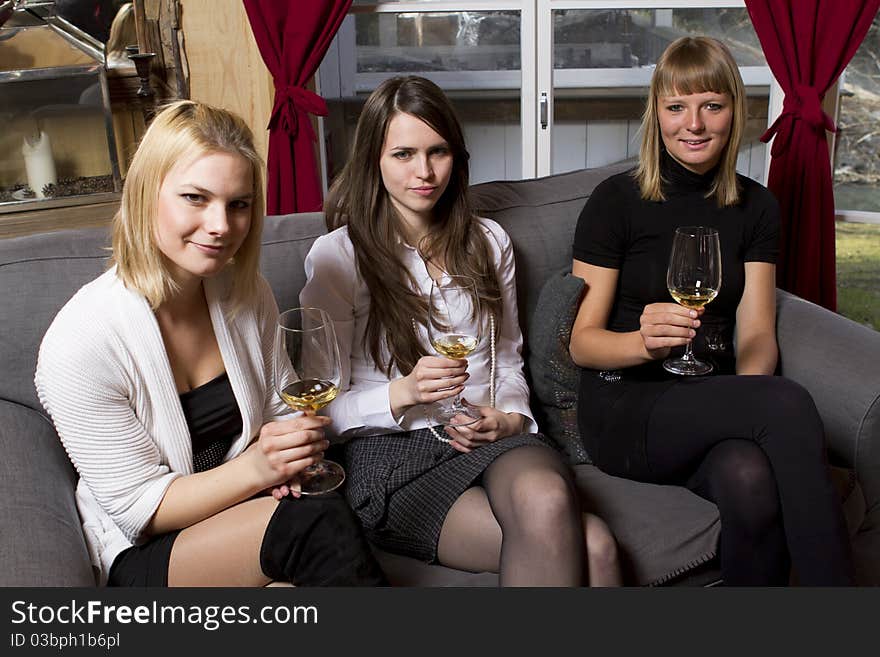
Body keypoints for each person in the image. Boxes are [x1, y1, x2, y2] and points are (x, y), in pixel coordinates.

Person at [35, 100, 386, 587]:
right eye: (196, 198)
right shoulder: (80, 342)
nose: (221, 225)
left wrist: (283, 456)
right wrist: (259, 468)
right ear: (146, 195)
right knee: (314, 524)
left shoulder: (246, 294)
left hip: (242, 510)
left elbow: (280, 412)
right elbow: (140, 508)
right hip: (147, 547)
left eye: (238, 204)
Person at [297, 75, 621, 586]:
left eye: (438, 151)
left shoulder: (489, 242)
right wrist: (401, 393)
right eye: (403, 154)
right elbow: (319, 410)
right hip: (390, 454)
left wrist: (509, 419)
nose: (424, 172)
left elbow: (507, 360)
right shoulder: (339, 256)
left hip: (485, 437)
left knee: (558, 506)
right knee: (595, 547)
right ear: (374, 161)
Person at [569, 36, 854, 586]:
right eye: (676, 107)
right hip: (625, 407)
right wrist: (643, 342)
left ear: (734, 113)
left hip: (711, 398)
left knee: (752, 480)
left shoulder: (757, 206)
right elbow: (582, 341)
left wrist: (748, 411)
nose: (693, 124)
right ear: (657, 113)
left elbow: (755, 333)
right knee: (787, 403)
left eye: (711, 106)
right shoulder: (616, 201)